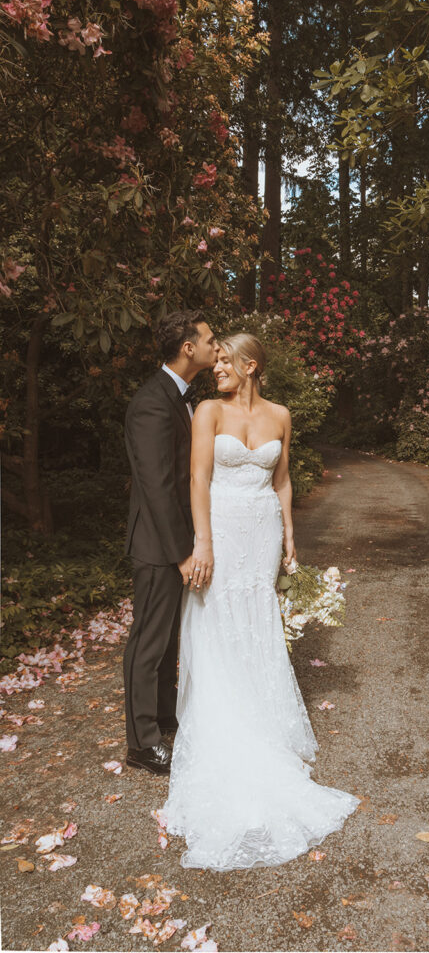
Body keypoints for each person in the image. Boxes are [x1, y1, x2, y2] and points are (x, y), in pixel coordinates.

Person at [163, 332, 359, 870]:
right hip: (221, 529)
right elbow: (197, 479)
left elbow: (283, 480)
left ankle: (262, 721)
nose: (216, 368)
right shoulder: (207, 411)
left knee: (256, 616)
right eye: (215, 360)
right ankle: (227, 724)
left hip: (263, 531)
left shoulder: (280, 415)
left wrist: (290, 534)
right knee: (217, 618)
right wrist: (201, 543)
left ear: (251, 366)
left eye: (225, 361)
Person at [123, 311, 220, 775]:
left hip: (175, 538)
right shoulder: (151, 402)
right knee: (149, 640)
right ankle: (141, 744)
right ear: (188, 348)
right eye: (209, 340)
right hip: (158, 542)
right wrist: (183, 551)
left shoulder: (180, 396)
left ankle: (163, 717)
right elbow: (158, 486)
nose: (214, 348)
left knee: (167, 641)